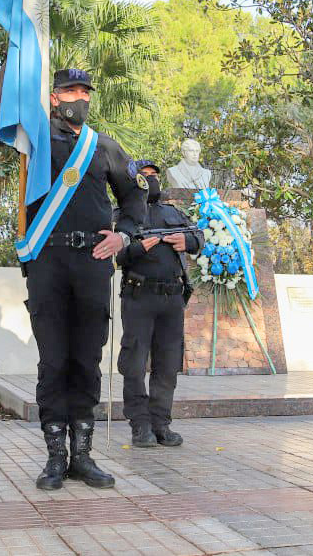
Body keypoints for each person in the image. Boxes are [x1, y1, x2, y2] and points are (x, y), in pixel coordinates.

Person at [18, 69, 147, 490]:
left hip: (92, 262)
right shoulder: (32, 140)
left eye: (84, 91)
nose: (79, 97)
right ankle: (55, 457)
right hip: (48, 260)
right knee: (53, 360)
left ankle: (83, 456)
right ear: (53, 97)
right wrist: (24, 63)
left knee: (87, 360)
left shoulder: (104, 146)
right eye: (70, 91)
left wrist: (123, 236)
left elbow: (135, 196)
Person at [116, 160, 197, 448]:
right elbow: (115, 255)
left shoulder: (173, 213)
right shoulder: (124, 216)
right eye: (145, 176)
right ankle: (140, 427)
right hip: (139, 297)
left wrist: (185, 240)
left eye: (154, 176)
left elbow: (197, 235)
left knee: (168, 364)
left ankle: (161, 425)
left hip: (172, 299)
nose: (151, 181)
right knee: (135, 364)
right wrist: (139, 247)